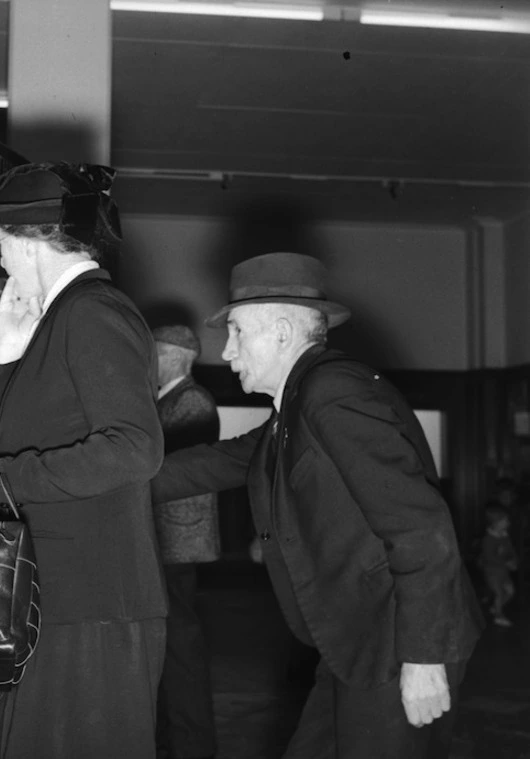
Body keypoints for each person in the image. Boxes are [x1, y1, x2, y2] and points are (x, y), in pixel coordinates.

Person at [152, 252, 484, 759]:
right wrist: (105, 481)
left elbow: (421, 524)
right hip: (357, 642)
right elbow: (215, 464)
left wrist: (423, 658)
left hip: (399, 643)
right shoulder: (303, 401)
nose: (229, 351)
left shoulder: (331, 393)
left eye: (237, 332)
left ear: (282, 332)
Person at [0, 162, 167, 759]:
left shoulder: (92, 310)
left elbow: (136, 449)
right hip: (58, 598)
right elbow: (30, 438)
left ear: (31, 241)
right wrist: (8, 352)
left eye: (0, 246)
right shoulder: (65, 315)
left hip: (91, 608)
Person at [151, 324, 220, 759]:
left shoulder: (192, 400)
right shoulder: (171, 398)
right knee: (172, 647)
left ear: (173, 356)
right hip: (169, 538)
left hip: (178, 539)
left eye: (152, 353)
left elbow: (173, 468)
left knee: (181, 648)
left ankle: (194, 745)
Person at [478, 504, 518, 627]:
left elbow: (511, 550)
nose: (508, 522)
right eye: (505, 520)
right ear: (496, 523)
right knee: (499, 593)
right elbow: (489, 558)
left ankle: (496, 607)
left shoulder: (505, 536)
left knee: (510, 592)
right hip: (492, 572)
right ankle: (498, 616)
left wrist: (514, 561)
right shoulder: (488, 539)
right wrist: (505, 562)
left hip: (503, 571)